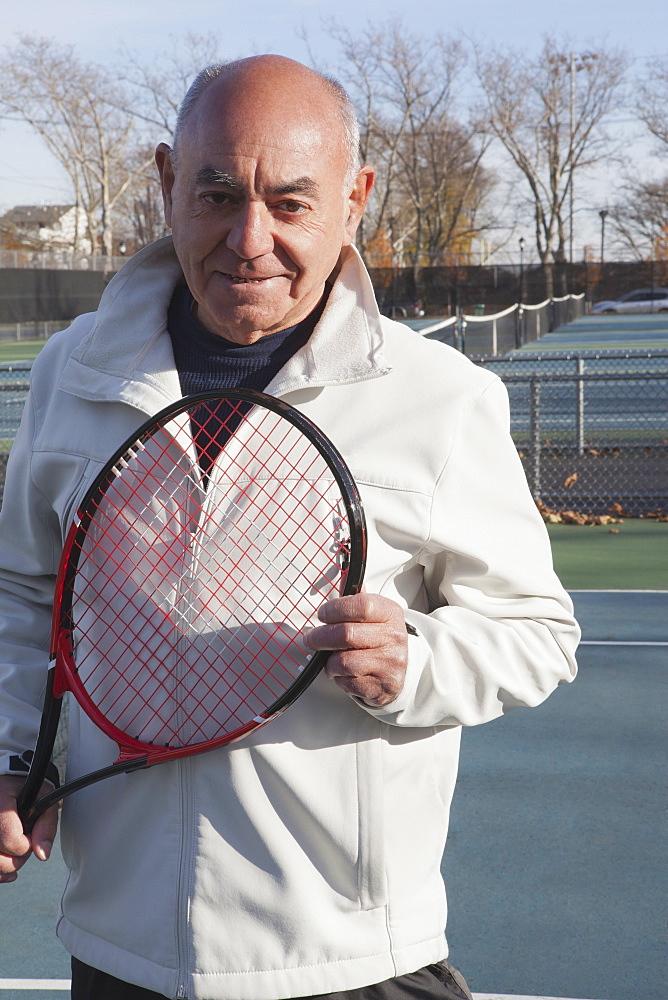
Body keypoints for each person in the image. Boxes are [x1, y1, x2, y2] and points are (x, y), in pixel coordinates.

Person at [0, 56, 579, 1000]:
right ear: (165, 183)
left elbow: (538, 632)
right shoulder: (74, 370)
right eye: (217, 194)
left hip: (349, 956)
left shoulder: (443, 400)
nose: (249, 239)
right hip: (118, 946)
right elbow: (24, 588)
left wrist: (415, 664)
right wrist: (11, 755)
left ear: (356, 198)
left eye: (292, 203)